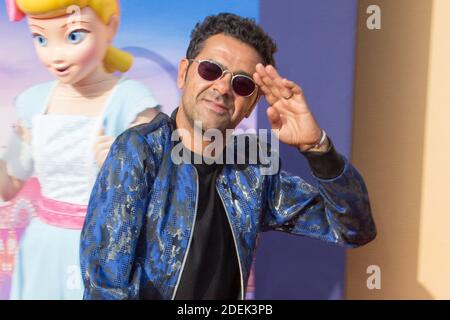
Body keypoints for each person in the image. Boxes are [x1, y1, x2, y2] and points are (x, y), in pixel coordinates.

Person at [80, 13, 376, 300]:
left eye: (242, 84)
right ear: (184, 72)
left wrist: (317, 148)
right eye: (210, 70)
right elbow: (105, 286)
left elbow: (353, 229)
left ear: (251, 105)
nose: (222, 88)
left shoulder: (254, 174)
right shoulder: (139, 151)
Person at [0, 0, 159, 299]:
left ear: (109, 26)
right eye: (41, 38)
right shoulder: (34, 102)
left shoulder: (131, 103)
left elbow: (168, 192)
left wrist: (128, 162)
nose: (55, 55)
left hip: (105, 250)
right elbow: (8, 186)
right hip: (42, 251)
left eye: (74, 36)